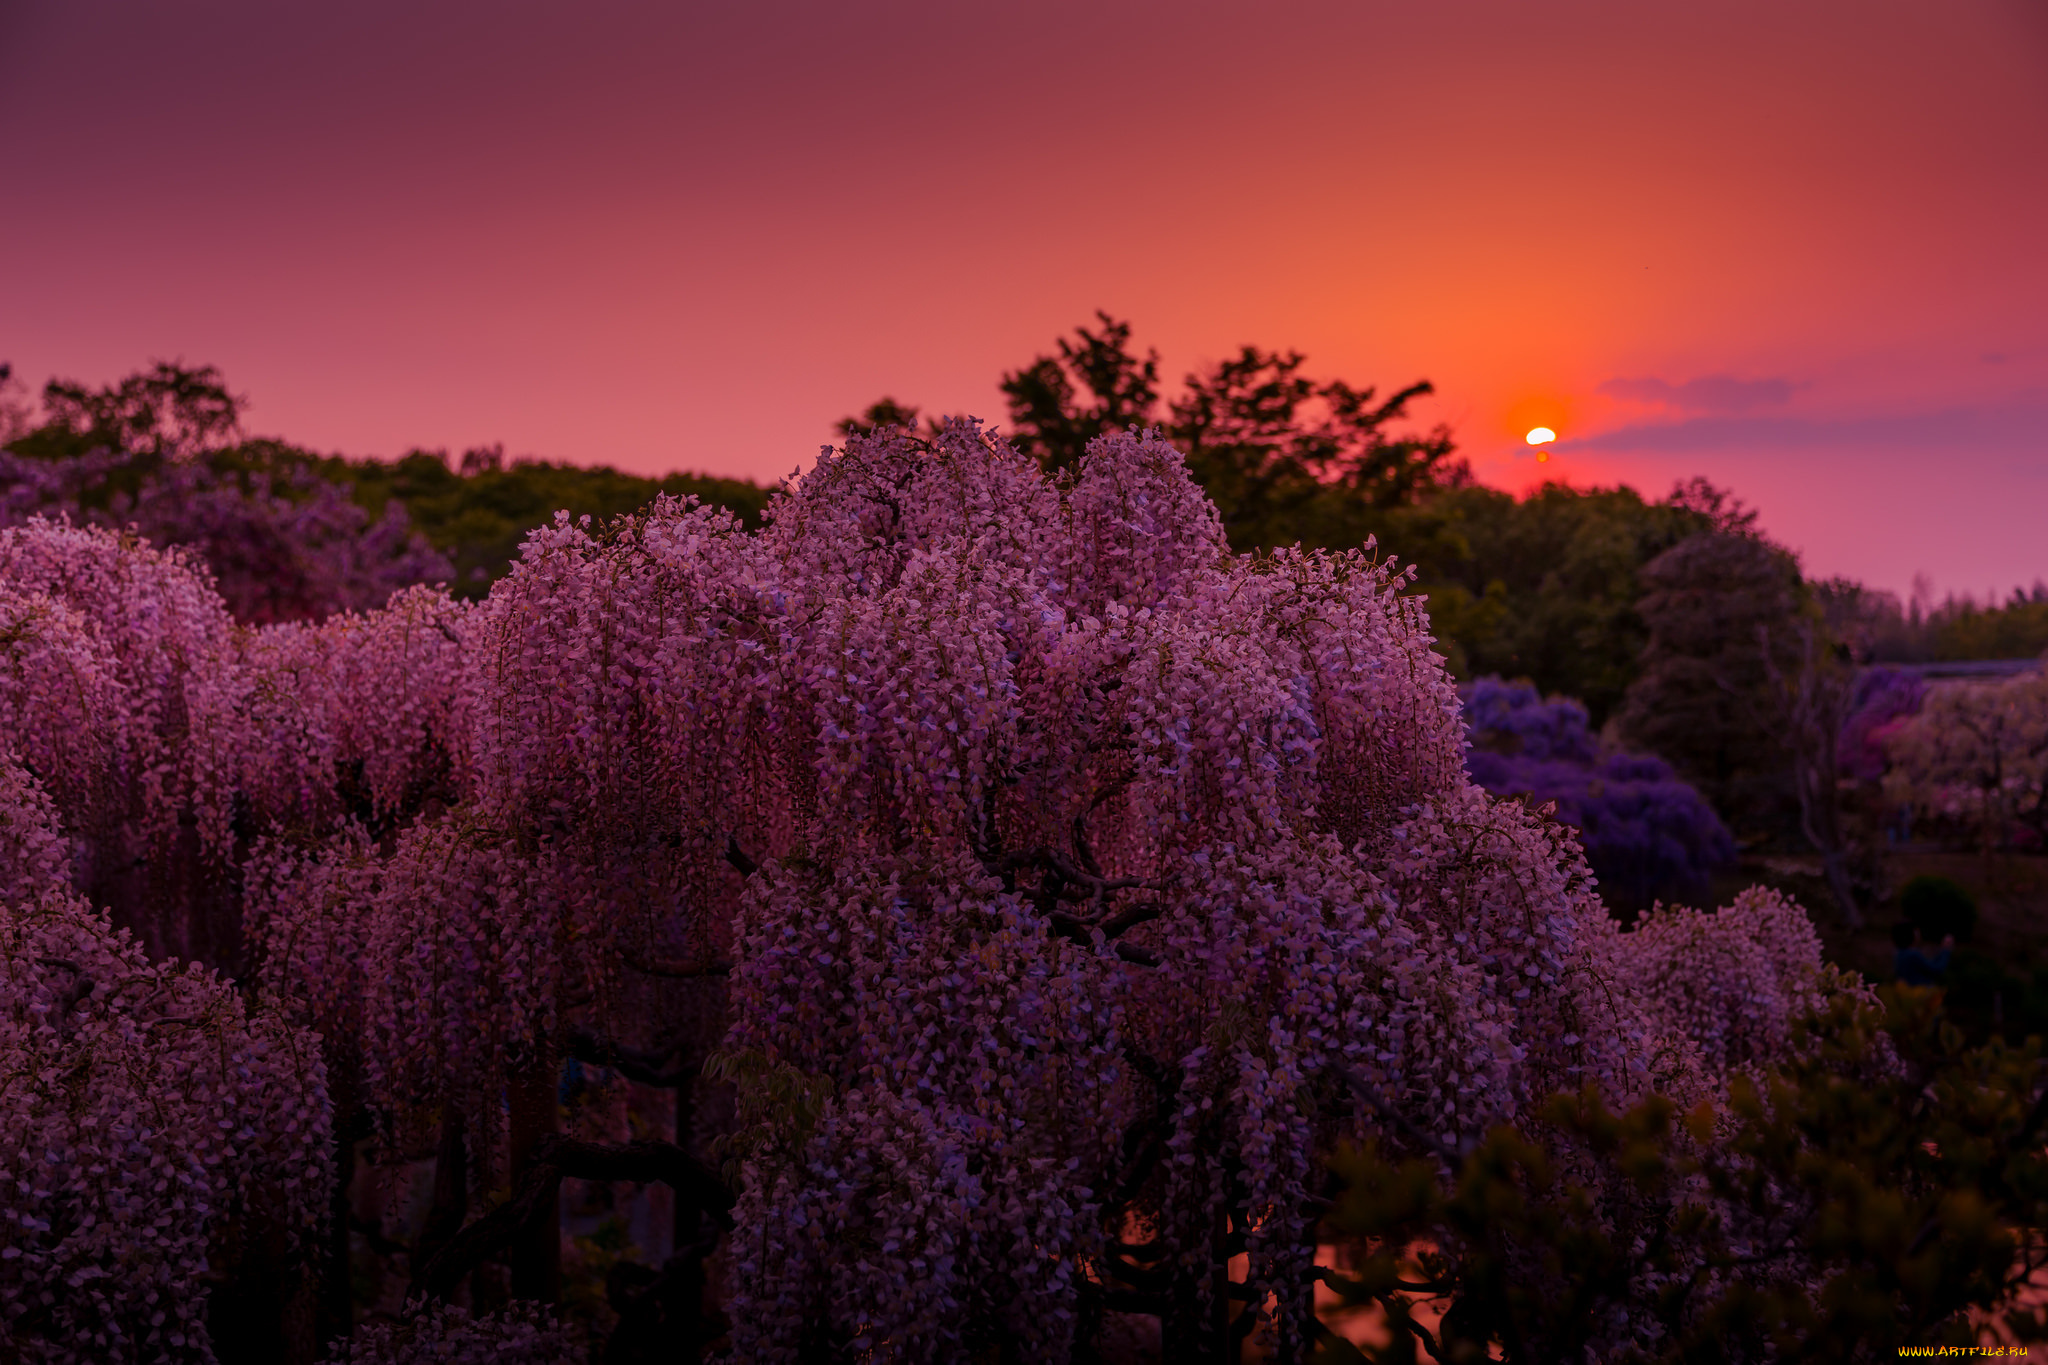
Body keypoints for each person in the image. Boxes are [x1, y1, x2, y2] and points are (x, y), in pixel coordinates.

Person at [1892, 920, 1953, 986]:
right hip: (1920, 993)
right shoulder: (1912, 955)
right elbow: (1936, 969)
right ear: (1909, 934)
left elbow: (1929, 965)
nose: (1919, 934)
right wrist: (1946, 950)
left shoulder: (1900, 954)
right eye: (1915, 931)